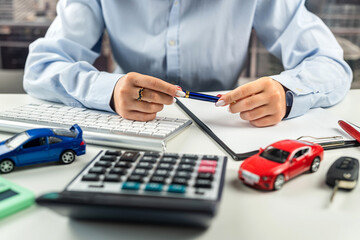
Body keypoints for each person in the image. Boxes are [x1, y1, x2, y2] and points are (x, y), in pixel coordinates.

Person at [23, 0, 352, 127]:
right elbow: (42, 65)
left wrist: (287, 92)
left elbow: (329, 63)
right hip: (128, 125)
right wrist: (108, 91)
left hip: (227, 127)